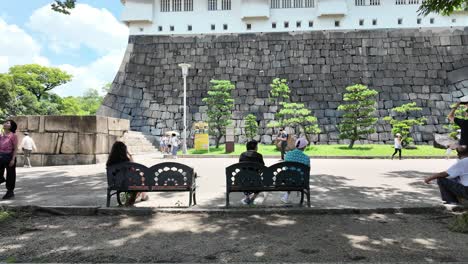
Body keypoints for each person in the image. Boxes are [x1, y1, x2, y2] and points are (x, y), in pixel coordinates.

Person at [106, 141, 148, 206]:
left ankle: (140, 195)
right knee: (139, 177)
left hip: (115, 184)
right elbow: (134, 169)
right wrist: (130, 155)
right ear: (124, 151)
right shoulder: (127, 161)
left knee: (134, 179)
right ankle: (142, 196)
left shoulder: (109, 163)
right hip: (127, 184)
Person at [281, 137, 310, 203]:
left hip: (288, 180)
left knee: (290, 174)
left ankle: (286, 196)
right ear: (304, 147)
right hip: (301, 181)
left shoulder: (288, 154)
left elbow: (286, 167)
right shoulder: (306, 158)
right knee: (296, 175)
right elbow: (307, 171)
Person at [239, 140, 265, 205]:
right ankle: (252, 199)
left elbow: (240, 167)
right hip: (256, 180)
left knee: (245, 177)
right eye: (257, 146)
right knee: (259, 181)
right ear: (255, 147)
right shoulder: (259, 156)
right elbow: (262, 167)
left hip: (244, 181)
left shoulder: (242, 155)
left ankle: (247, 197)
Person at [0, 120, 18, 200]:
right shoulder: (0, 135)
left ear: (11, 126)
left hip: (10, 156)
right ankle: (1, 178)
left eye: (8, 123)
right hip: (1, 156)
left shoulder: (13, 136)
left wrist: (13, 159)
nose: (5, 123)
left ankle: (10, 192)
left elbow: (15, 148)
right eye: (5, 122)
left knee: (10, 175)